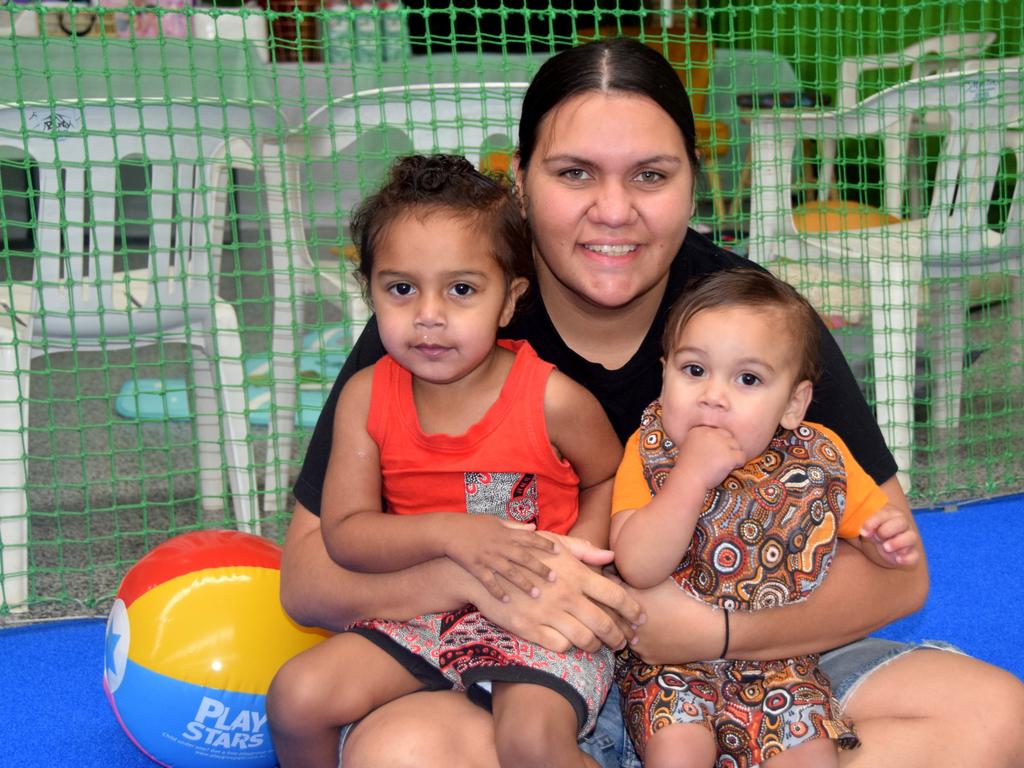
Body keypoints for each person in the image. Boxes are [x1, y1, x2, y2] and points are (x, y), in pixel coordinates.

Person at [280, 36, 1024, 768]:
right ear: (522, 181)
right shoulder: (444, 313)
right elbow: (310, 577)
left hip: (754, 666)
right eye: (574, 173)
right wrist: (476, 577)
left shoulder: (757, 320)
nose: (613, 211)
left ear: (694, 183)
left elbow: (903, 574)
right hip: (520, 676)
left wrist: (715, 630)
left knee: (994, 717)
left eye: (649, 175)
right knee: (399, 752)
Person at [266, 154, 623, 768]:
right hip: (421, 610)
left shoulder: (553, 399)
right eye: (401, 288)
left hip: (532, 613)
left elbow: (612, 476)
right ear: (370, 291)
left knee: (530, 743)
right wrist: (455, 536)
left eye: (461, 289)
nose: (428, 314)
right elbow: (346, 536)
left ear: (509, 300)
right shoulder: (365, 397)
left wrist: (574, 565)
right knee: (296, 695)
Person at [610, 269, 921, 768]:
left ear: (793, 404)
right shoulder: (650, 450)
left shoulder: (820, 457)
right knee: (678, 751)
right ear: (664, 372)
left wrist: (884, 544)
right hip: (669, 663)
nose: (713, 394)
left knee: (811, 752)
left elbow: (874, 533)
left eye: (748, 379)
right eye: (694, 371)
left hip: (782, 659)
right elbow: (637, 564)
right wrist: (689, 477)